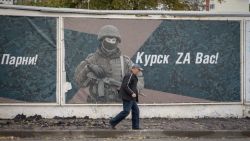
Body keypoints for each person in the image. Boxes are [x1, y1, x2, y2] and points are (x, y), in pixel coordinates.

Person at [74, 25, 144, 103]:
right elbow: (79, 82)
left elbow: (139, 79)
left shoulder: (125, 61)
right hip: (96, 108)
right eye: (108, 39)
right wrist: (88, 68)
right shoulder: (92, 59)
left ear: (117, 41)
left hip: (119, 106)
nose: (111, 42)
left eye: (113, 40)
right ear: (102, 40)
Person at [109, 64, 143, 130]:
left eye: (139, 70)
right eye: (138, 70)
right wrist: (132, 93)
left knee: (136, 111)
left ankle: (135, 127)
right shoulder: (129, 75)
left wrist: (138, 92)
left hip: (131, 97)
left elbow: (132, 87)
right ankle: (112, 122)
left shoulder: (133, 76)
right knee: (126, 111)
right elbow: (125, 85)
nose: (139, 71)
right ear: (134, 69)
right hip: (127, 97)